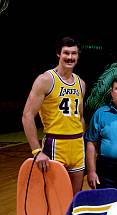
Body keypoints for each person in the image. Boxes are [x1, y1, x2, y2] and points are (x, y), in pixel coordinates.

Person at [22, 36, 86, 195]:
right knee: (56, 199)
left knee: (74, 199)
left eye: (74, 53)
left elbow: (80, 117)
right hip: (56, 144)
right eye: (66, 53)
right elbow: (27, 115)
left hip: (77, 145)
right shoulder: (46, 80)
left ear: (78, 55)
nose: (70, 57)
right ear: (58, 54)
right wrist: (36, 151)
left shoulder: (81, 83)